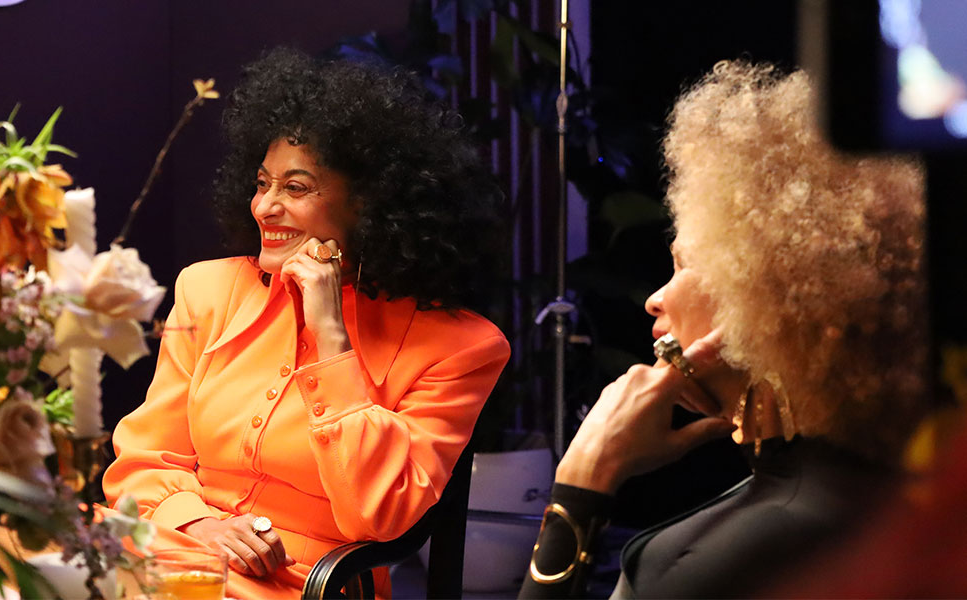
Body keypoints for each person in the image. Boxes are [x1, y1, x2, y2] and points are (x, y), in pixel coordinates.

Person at [103, 48, 510, 599]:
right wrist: (198, 523)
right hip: (173, 547)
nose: (265, 208)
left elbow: (381, 514)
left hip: (304, 585)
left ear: (369, 204)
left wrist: (331, 335)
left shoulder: (462, 348)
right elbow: (143, 462)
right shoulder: (208, 289)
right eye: (262, 183)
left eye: (295, 189)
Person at [520, 61, 930, 599]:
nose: (654, 299)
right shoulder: (891, 492)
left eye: (682, 265)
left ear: (766, 295)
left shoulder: (701, 564)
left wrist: (584, 479)